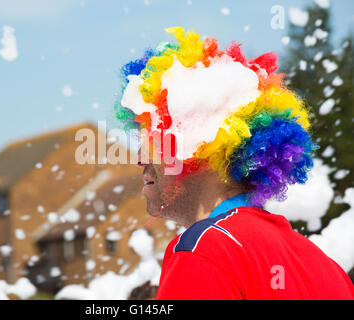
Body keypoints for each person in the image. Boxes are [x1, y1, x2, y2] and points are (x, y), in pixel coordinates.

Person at [115, 27, 354, 299]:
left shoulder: (205, 250)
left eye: (155, 140)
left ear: (202, 148)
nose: (140, 159)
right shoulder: (325, 265)